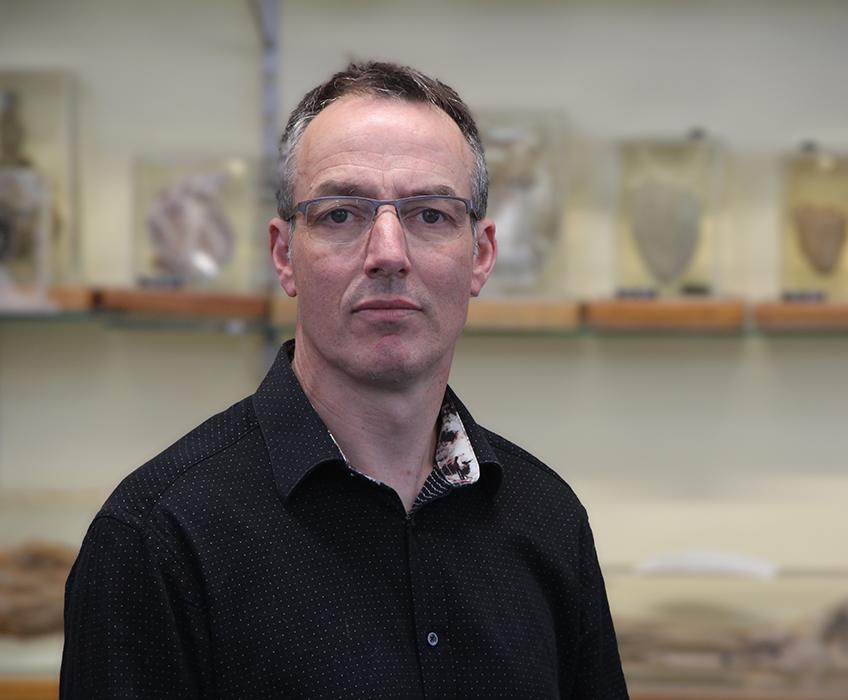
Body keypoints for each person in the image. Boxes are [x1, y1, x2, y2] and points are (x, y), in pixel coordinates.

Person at [60, 61, 629, 699]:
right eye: (340, 214)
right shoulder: (157, 542)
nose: (388, 252)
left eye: (431, 215)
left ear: (482, 255)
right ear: (283, 254)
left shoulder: (548, 520)